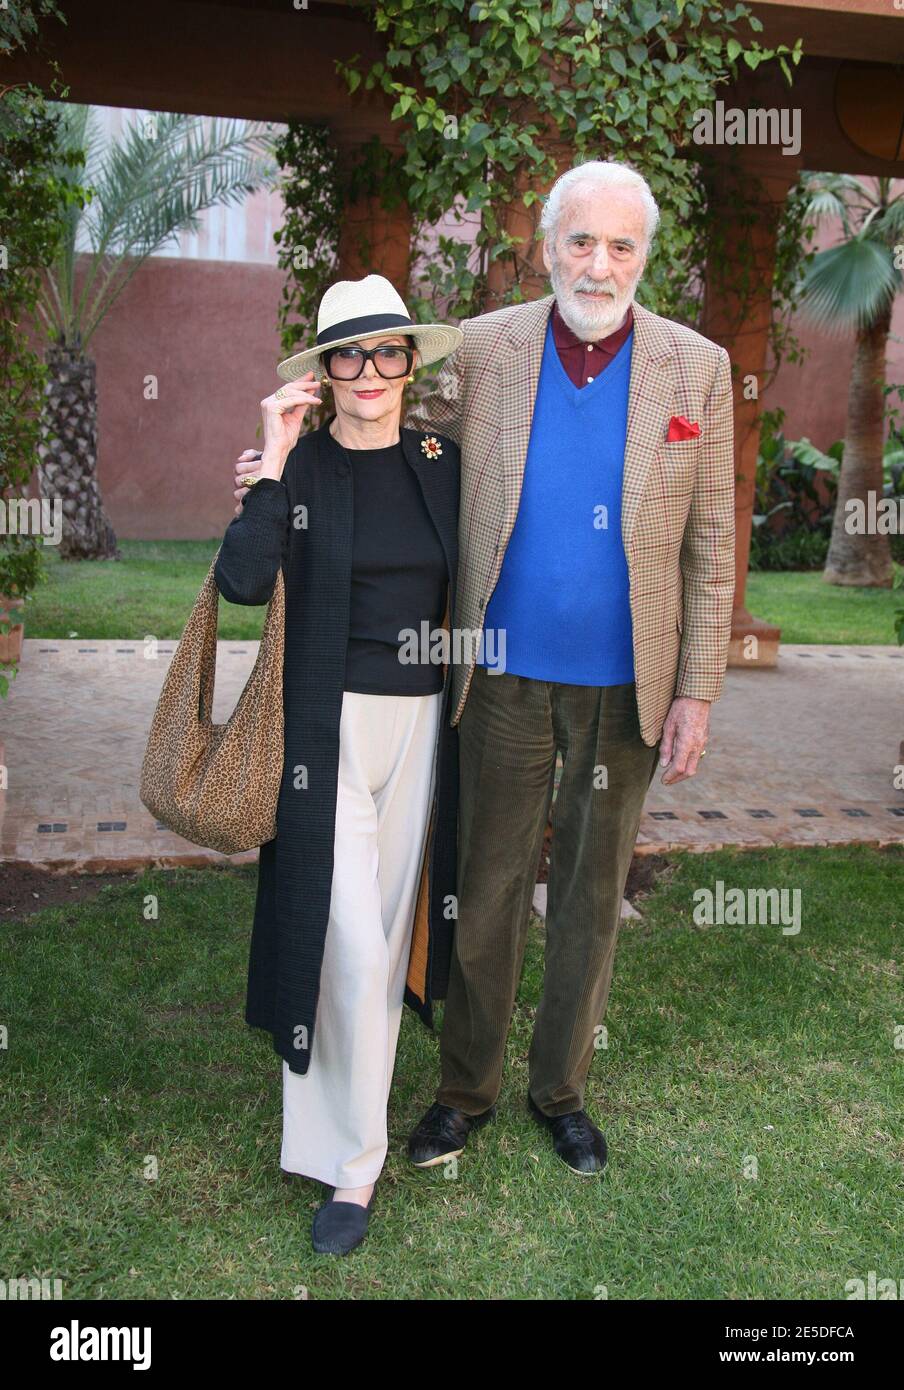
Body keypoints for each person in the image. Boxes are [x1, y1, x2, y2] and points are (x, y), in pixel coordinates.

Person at [403, 158, 736, 1177]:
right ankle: (465, 1091)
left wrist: (696, 689)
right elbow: (399, 443)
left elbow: (713, 540)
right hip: (499, 675)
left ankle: (561, 1091)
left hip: (625, 687)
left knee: (591, 895)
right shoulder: (483, 349)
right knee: (488, 884)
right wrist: (293, 454)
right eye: (579, 241)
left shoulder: (696, 369)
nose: (597, 265)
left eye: (619, 245)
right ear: (546, 247)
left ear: (644, 255)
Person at [215, 274, 462, 1253]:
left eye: (388, 351)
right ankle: (352, 1172)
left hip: (425, 729)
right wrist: (271, 461)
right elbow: (239, 581)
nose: (370, 372)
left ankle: (342, 1146)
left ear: (411, 361)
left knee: (388, 937)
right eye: (349, 355)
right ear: (323, 372)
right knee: (352, 948)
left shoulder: (444, 461)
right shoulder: (303, 470)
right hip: (327, 733)